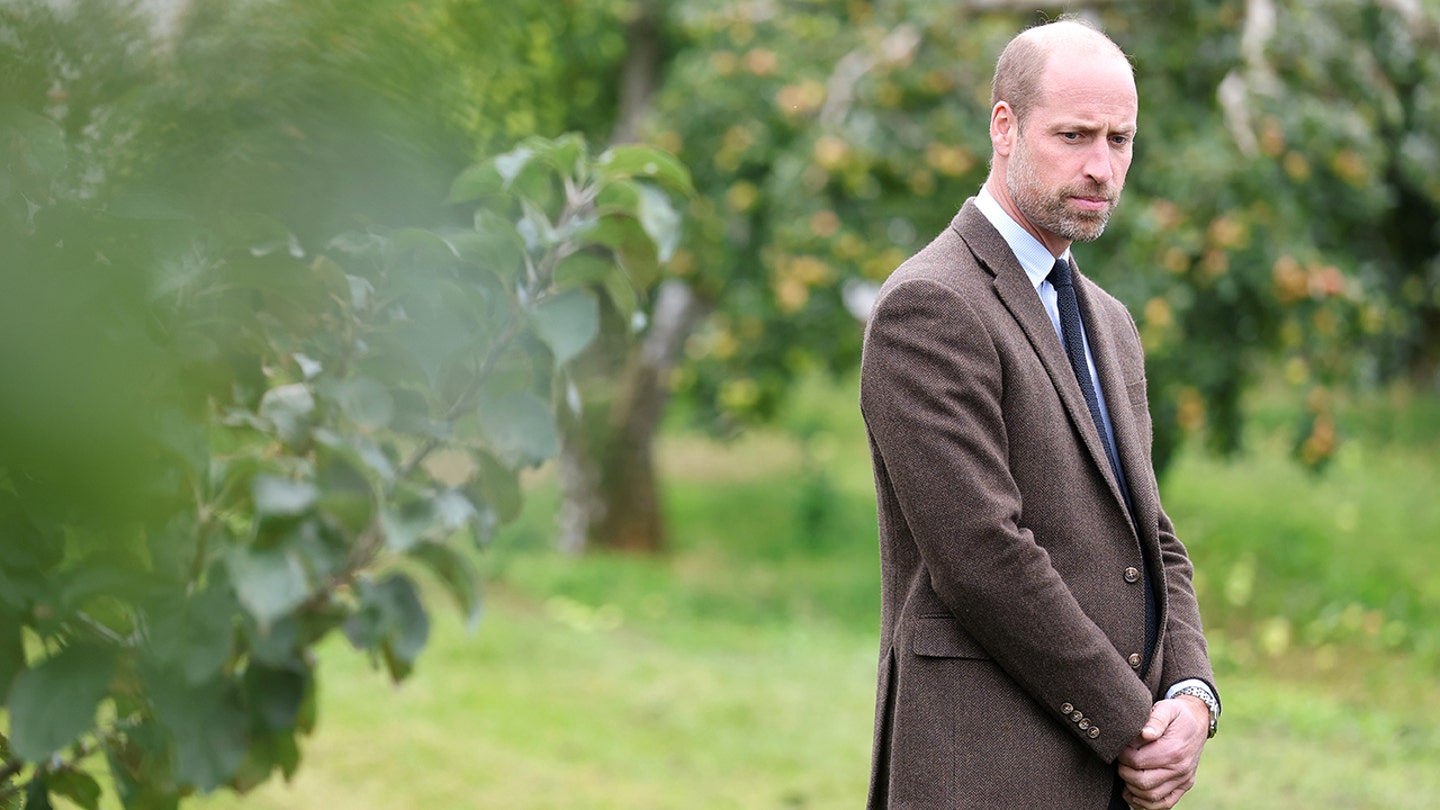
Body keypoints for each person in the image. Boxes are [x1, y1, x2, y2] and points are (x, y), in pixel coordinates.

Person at [859, 17, 1219, 810]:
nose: (1101, 167)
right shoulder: (930, 305)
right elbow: (982, 559)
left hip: (1109, 776)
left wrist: (1193, 696)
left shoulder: (1110, 322)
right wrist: (1134, 726)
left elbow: (1152, 536)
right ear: (1005, 126)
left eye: (1120, 140)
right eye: (1074, 135)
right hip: (984, 770)